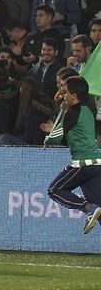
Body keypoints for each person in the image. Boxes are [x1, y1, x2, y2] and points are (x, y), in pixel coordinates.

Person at [45, 76, 101, 233]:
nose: (63, 95)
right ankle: (93, 208)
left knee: (54, 189)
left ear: (74, 95)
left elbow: (54, 139)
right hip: (97, 163)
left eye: (65, 92)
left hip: (82, 164)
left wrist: (46, 139)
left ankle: (88, 208)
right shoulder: (89, 110)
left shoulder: (71, 113)